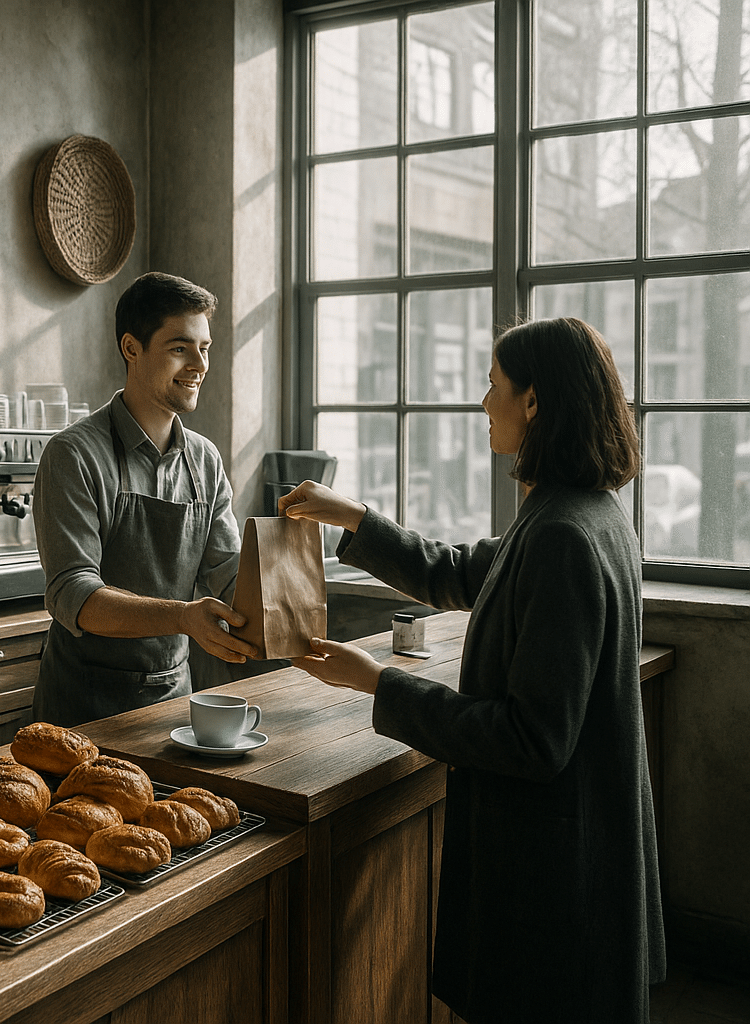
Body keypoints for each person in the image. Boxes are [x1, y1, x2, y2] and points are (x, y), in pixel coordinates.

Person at [278, 317, 665, 1024]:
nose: (484, 403)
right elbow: (459, 572)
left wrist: (378, 683)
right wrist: (353, 517)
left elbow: (530, 739)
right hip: (579, 857)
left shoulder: (563, 537)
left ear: (536, 402)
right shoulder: (581, 512)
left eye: (494, 386)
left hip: (551, 877)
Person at [32, 272, 258, 727]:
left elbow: (227, 572)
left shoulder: (205, 460)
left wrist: (283, 600)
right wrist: (184, 617)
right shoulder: (73, 455)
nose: (199, 364)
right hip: (83, 708)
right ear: (131, 348)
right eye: (180, 347)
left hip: (174, 702)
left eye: (205, 348)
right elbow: (74, 594)